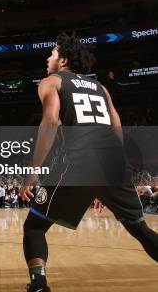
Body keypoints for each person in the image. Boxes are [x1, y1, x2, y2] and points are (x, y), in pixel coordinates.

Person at [20, 32, 158, 292]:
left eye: (52, 53)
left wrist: (32, 173)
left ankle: (39, 285)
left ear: (63, 61)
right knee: (139, 228)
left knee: (34, 227)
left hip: (80, 161)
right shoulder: (101, 88)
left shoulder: (52, 81)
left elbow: (50, 123)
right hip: (114, 163)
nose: (48, 58)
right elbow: (116, 128)